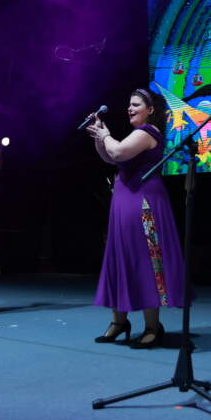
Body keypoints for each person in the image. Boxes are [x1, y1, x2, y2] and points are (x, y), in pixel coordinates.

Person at [86, 88, 188, 348]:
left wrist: (106, 135)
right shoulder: (136, 134)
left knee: (145, 259)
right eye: (129, 105)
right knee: (119, 257)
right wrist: (100, 137)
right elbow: (111, 157)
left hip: (143, 201)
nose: (130, 109)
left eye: (135, 105)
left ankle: (153, 326)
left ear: (150, 110)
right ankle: (119, 321)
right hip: (124, 200)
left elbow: (118, 152)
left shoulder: (148, 132)